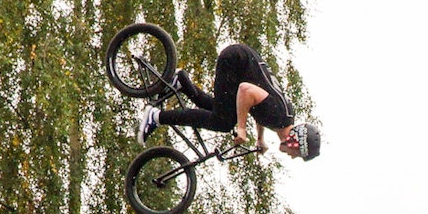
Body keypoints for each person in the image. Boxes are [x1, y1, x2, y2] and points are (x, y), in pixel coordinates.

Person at [137, 43, 321, 160]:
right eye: (297, 155)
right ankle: (157, 117)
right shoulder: (279, 117)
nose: (293, 157)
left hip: (240, 59)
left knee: (222, 113)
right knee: (224, 122)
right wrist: (241, 127)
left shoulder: (282, 118)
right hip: (235, 61)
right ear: (296, 143)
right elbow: (246, 90)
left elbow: (259, 109)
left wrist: (259, 138)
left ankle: (181, 82)